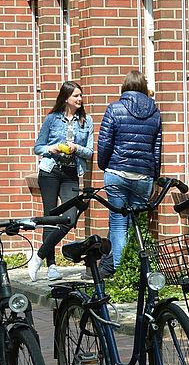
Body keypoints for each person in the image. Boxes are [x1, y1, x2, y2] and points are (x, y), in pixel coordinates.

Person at [96, 70, 162, 274]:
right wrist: (154, 176)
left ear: (125, 87)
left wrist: (104, 165)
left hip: (117, 172)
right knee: (137, 224)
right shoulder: (155, 112)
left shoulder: (114, 108)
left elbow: (104, 143)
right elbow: (157, 149)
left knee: (118, 224)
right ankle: (137, 272)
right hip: (143, 175)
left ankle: (119, 271)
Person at [27, 81, 93, 280]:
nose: (80, 99)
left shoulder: (86, 121)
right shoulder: (52, 119)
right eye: (76, 96)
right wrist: (52, 148)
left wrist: (76, 148)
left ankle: (38, 256)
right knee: (50, 217)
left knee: (70, 218)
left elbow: (90, 152)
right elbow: (38, 147)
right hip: (50, 171)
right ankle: (52, 266)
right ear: (66, 98)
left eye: (80, 95)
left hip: (71, 173)